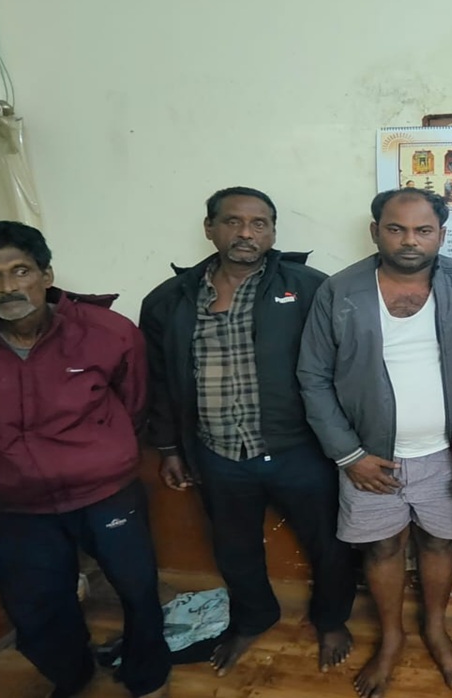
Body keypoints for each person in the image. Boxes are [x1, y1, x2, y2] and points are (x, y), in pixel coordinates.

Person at [0, 221, 170, 698]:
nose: (8, 287)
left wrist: (103, 453)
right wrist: (3, 465)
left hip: (105, 492)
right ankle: (72, 676)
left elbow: (135, 403)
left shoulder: (107, 332)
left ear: (46, 274)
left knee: (137, 588)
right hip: (13, 505)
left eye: (20, 271)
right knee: (35, 607)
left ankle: (147, 675)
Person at [138, 186, 355, 677]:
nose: (246, 233)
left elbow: (344, 367)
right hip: (217, 452)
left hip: (298, 449)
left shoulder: (309, 287)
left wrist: (345, 444)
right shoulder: (170, 300)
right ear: (209, 228)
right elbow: (160, 380)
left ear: (273, 232)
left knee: (330, 544)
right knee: (234, 548)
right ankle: (255, 616)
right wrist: (169, 447)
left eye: (259, 223)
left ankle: (331, 620)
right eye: (232, 221)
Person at [298, 187, 452, 698]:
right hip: (368, 457)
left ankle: (435, 629)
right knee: (383, 547)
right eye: (396, 229)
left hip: (447, 456)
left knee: (437, 542)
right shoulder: (340, 291)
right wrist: (350, 455)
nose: (409, 240)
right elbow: (313, 377)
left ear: (441, 234)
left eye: (422, 230)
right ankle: (392, 637)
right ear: (375, 232)